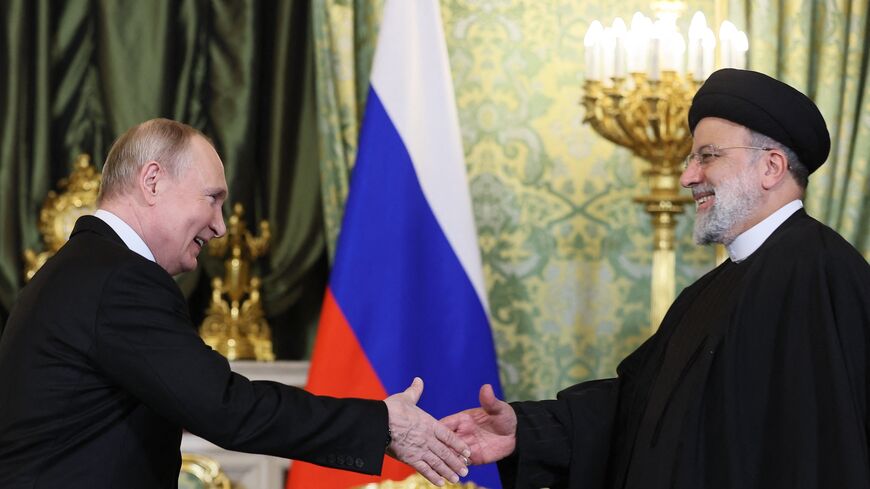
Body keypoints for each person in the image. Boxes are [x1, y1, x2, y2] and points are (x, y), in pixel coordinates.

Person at [442, 68, 870, 489]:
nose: (688, 176)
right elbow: (638, 408)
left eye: (708, 156)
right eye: (692, 158)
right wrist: (525, 429)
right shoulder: (712, 289)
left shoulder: (822, 275)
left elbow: (823, 453)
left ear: (772, 167)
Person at [0, 118, 470, 488]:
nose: (221, 227)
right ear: (152, 181)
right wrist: (381, 423)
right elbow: (227, 408)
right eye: (212, 199)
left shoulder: (82, 268)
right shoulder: (119, 278)